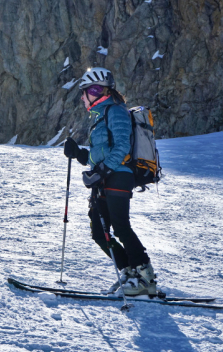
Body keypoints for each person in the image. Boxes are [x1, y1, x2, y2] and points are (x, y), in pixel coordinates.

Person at [63, 67, 158, 296]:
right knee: (98, 231)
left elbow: (122, 146)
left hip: (119, 175)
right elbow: (99, 155)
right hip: (104, 177)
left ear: (102, 92)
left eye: (93, 89)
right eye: (87, 90)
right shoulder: (98, 117)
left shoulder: (115, 111)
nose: (87, 95)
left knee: (120, 226)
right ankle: (129, 272)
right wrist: (78, 153)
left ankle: (146, 277)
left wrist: (103, 170)